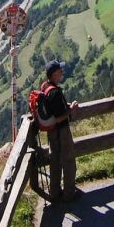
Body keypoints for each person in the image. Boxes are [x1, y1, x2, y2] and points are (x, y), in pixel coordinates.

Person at [43, 59, 82, 203]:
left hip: (52, 132)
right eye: (60, 71)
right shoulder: (55, 92)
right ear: (54, 74)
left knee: (55, 161)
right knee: (68, 160)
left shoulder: (45, 87)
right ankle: (69, 193)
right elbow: (59, 118)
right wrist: (71, 109)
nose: (62, 73)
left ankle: (54, 193)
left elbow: (54, 110)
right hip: (62, 131)